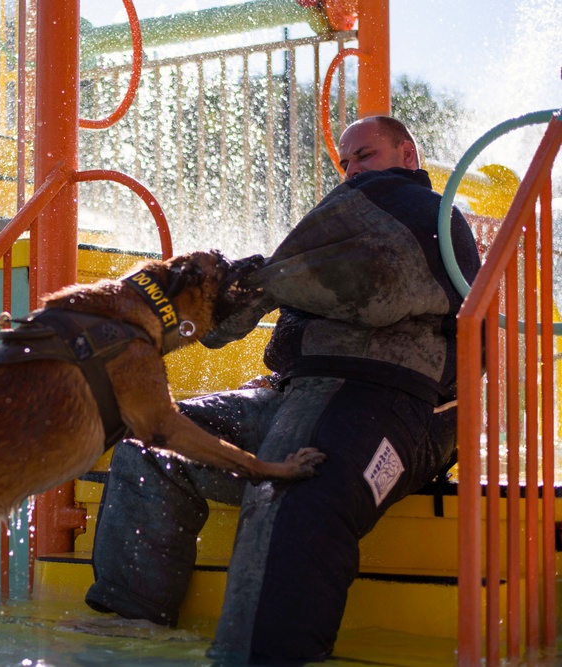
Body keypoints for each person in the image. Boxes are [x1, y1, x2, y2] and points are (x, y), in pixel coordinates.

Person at [83, 116, 482, 663]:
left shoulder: (435, 217)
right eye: (345, 163)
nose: (352, 171)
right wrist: (237, 294)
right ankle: (132, 640)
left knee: (296, 494)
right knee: (152, 448)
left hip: (392, 400)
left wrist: (272, 280)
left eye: (364, 155)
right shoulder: (336, 233)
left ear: (409, 155)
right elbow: (245, 318)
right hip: (288, 392)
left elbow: (378, 288)